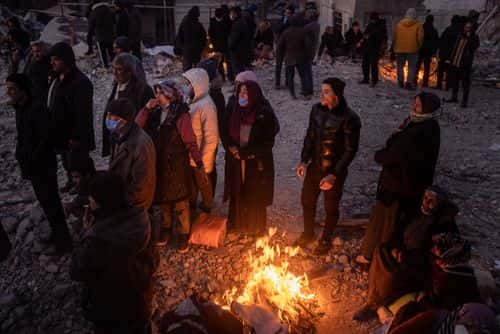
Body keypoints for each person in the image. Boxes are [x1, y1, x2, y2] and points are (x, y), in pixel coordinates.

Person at [354, 187, 459, 322]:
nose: (426, 202)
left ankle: (375, 304)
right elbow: (397, 232)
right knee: (381, 250)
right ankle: (376, 301)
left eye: (432, 201)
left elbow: (442, 251)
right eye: (425, 198)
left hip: (420, 261)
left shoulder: (444, 223)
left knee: (390, 275)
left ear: (440, 204)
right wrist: (395, 249)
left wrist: (417, 255)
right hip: (402, 251)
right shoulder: (413, 211)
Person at [70, 171, 156, 334]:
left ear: (101, 202)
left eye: (92, 198)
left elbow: (76, 271)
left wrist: (85, 232)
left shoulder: (97, 241)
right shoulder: (143, 218)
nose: (89, 201)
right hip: (140, 299)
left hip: (110, 310)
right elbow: (154, 260)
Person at [359, 92, 441, 262]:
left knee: (388, 223)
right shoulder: (428, 125)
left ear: (427, 109)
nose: (413, 107)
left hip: (399, 185)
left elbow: (395, 155)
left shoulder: (419, 131)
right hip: (410, 184)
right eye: (414, 103)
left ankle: (377, 257)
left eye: (418, 106)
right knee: (396, 221)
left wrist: (379, 155)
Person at [135, 80, 206, 252]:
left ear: (169, 95)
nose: (157, 96)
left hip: (176, 164)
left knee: (180, 201)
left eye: (160, 93)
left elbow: (190, 140)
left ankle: (183, 232)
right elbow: (136, 127)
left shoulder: (181, 114)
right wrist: (146, 109)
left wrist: (198, 161)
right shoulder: (155, 113)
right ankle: (166, 228)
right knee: (164, 199)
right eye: (156, 93)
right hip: (158, 162)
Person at [7, 73, 73, 254]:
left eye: (12, 88)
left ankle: (64, 242)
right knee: (46, 202)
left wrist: (32, 160)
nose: (9, 92)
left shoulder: (37, 109)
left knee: (52, 203)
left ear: (22, 89)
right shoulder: (20, 107)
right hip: (32, 164)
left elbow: (45, 140)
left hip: (42, 165)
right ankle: (59, 235)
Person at [295, 78, 361, 255]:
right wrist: (303, 160)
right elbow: (310, 137)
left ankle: (325, 238)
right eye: (321, 90)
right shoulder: (316, 110)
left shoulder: (350, 119)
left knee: (331, 207)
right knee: (307, 201)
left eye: (326, 91)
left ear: (336, 94)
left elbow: (350, 150)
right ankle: (308, 233)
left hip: (333, 172)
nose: (321, 94)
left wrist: (334, 174)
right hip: (315, 167)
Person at [220, 80, 279, 235]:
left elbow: (268, 143)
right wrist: (230, 147)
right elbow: (224, 130)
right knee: (237, 191)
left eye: (246, 92)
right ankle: (238, 224)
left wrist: (246, 153)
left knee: (255, 194)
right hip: (236, 160)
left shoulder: (264, 113)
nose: (242, 95)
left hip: (256, 162)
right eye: (240, 92)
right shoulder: (234, 109)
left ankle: (255, 228)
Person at [48, 42, 95, 193]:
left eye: (56, 59)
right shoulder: (58, 79)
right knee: (67, 162)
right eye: (51, 59)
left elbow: (82, 114)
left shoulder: (80, 82)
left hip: (76, 136)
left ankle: (86, 189)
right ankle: (72, 181)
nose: (52, 62)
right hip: (62, 133)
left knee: (80, 163)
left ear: (66, 60)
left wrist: (76, 136)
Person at [107, 98, 156, 211]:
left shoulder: (140, 145)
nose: (108, 119)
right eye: (108, 115)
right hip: (122, 197)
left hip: (134, 205)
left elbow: (141, 185)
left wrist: (123, 202)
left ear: (123, 120)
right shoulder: (117, 136)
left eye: (111, 116)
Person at [182, 68, 220, 212]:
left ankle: (206, 214)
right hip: (191, 156)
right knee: (192, 188)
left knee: (204, 188)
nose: (186, 86)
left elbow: (211, 138)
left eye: (188, 83)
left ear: (197, 84)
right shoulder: (193, 100)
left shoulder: (207, 106)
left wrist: (203, 162)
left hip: (199, 159)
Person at [102, 53, 153, 157]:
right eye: (114, 69)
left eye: (119, 69)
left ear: (129, 72)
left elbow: (150, 120)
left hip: (133, 143)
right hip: (117, 139)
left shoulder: (143, 90)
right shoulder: (117, 85)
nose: (115, 73)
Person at [198, 56, 226, 196]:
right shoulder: (206, 94)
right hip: (201, 136)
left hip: (208, 137)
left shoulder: (214, 96)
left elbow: (220, 120)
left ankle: (208, 197)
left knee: (208, 166)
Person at [446, 21, 480, 108]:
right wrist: (451, 59)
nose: (466, 29)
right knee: (455, 81)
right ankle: (454, 97)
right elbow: (455, 47)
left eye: (469, 28)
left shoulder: (474, 37)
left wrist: (469, 39)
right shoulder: (460, 35)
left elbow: (473, 47)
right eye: (466, 27)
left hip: (465, 64)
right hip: (456, 61)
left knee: (465, 83)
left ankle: (464, 101)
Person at [277, 15, 312, 99]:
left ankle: (292, 94)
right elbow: (308, 45)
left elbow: (280, 45)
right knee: (303, 76)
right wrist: (308, 55)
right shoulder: (302, 32)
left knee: (290, 76)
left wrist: (281, 55)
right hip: (301, 57)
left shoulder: (286, 32)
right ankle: (305, 93)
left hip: (289, 57)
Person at [393, 8, 424, 90]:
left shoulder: (399, 24)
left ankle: (400, 81)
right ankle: (409, 83)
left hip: (399, 49)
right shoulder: (418, 25)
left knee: (400, 66)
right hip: (412, 49)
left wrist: (394, 47)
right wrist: (418, 46)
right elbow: (420, 38)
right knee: (411, 67)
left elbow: (394, 37)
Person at [64, 155, 96, 234]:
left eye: (76, 177)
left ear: (87, 175)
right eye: (72, 177)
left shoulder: (95, 187)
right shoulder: (84, 184)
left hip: (97, 214)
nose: (73, 180)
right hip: (88, 207)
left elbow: (87, 203)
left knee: (77, 228)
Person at [175, 6, 207, 72]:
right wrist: (201, 48)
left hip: (187, 50)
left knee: (187, 69)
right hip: (196, 50)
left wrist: (181, 47)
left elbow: (179, 36)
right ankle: (195, 81)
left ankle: (188, 80)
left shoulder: (184, 23)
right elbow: (204, 38)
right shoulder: (199, 25)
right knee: (196, 69)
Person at [434, 16, 462, 90]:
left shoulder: (448, 30)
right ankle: (447, 86)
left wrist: (438, 50)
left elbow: (441, 40)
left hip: (444, 53)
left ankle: (439, 85)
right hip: (453, 55)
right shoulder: (460, 32)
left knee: (441, 70)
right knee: (450, 71)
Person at [359, 12, 387, 87]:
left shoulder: (382, 25)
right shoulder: (370, 24)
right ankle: (366, 79)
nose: (371, 20)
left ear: (376, 19)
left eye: (373, 19)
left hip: (375, 48)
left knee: (374, 65)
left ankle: (374, 80)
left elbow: (381, 36)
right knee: (365, 63)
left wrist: (370, 35)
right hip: (367, 47)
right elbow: (365, 33)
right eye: (371, 19)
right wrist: (364, 37)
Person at [88, 1, 115, 68]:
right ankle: (115, 63)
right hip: (110, 34)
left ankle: (105, 66)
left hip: (100, 36)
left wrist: (90, 35)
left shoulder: (94, 13)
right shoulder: (109, 11)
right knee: (111, 50)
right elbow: (114, 21)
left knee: (103, 53)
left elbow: (91, 26)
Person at [275, 5, 295, 89]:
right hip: (280, 44)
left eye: (288, 13)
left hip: (289, 46)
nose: (287, 14)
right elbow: (277, 29)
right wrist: (283, 23)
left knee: (289, 65)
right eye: (285, 12)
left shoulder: (294, 21)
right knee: (278, 65)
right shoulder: (281, 20)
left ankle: (288, 82)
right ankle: (277, 83)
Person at [415, 15, 439, 88]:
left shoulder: (421, 28)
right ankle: (425, 83)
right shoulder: (434, 30)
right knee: (426, 67)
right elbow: (436, 42)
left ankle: (414, 80)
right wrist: (434, 52)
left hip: (420, 50)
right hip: (428, 51)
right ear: (432, 21)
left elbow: (416, 38)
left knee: (417, 65)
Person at [228, 6, 252, 76]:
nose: (231, 15)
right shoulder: (242, 22)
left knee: (238, 73)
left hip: (237, 53)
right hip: (242, 52)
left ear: (236, 14)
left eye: (232, 13)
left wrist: (229, 46)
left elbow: (233, 39)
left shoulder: (237, 24)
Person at [209, 8, 231, 81]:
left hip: (226, 45)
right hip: (218, 46)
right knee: (220, 62)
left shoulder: (226, 21)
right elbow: (211, 33)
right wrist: (213, 43)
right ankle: (222, 77)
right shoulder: (213, 22)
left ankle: (230, 76)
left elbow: (229, 32)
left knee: (228, 61)